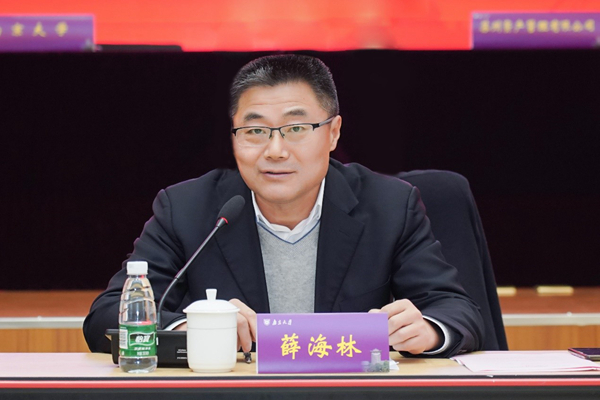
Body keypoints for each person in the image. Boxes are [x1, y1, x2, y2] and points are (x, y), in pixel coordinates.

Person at [84, 54, 484, 357]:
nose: (275, 150)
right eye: (255, 130)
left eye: (296, 128)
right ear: (234, 137)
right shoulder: (188, 209)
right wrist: (192, 329)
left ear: (333, 133)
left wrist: (427, 330)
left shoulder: (389, 206)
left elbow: (455, 309)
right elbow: (108, 315)